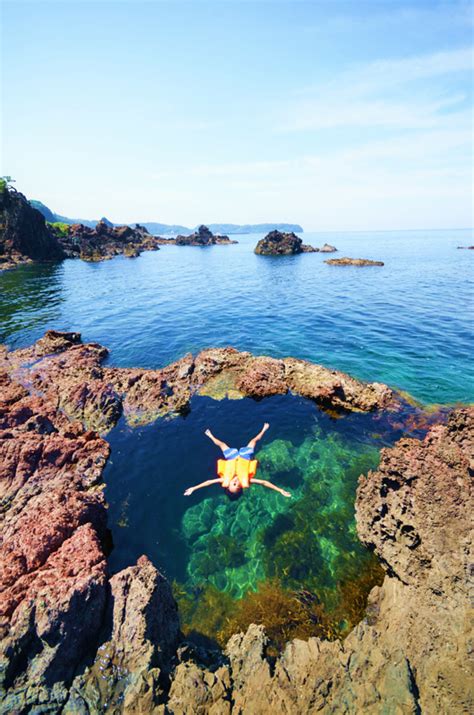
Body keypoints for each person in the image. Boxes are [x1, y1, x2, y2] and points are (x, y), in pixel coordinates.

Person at [183, 423, 292, 498]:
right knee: (254, 441)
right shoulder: (247, 481)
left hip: (232, 457)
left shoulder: (223, 480)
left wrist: (194, 488)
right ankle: (263, 429)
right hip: (245, 457)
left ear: (228, 485)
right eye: (238, 485)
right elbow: (264, 482)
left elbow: (209, 482)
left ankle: (211, 436)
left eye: (233, 485)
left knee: (222, 444)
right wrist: (280, 490)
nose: (235, 482)